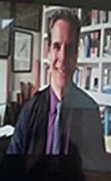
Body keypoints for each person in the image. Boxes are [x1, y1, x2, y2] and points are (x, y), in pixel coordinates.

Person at [7, 9, 107, 159]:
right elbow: (11, 168)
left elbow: (95, 175)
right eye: (57, 46)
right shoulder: (29, 111)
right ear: (48, 52)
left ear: (76, 55)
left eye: (69, 48)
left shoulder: (90, 112)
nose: (62, 57)